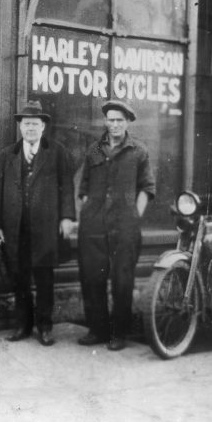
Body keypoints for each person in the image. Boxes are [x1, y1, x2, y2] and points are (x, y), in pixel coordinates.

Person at [0, 101, 75, 346]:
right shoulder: (8, 154)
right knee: (19, 279)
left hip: (45, 227)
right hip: (15, 227)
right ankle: (22, 325)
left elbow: (67, 187)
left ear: (43, 127)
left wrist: (67, 217)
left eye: (35, 124)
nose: (30, 128)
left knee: (44, 278)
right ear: (19, 126)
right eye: (26, 124)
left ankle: (45, 327)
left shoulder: (57, 152)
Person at [77, 100, 155, 351]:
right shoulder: (93, 151)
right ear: (105, 121)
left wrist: (134, 216)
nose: (114, 124)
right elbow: (84, 188)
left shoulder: (139, 151)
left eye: (119, 120)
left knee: (122, 281)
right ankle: (97, 330)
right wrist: (86, 216)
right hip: (94, 226)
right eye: (110, 119)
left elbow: (147, 188)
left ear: (128, 122)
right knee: (92, 279)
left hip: (125, 227)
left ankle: (119, 333)